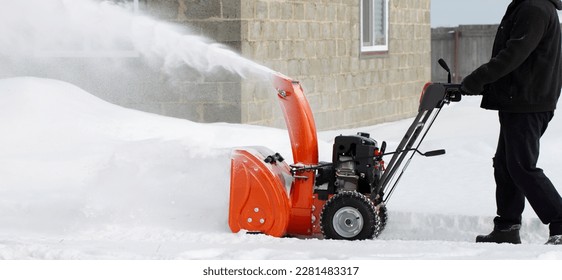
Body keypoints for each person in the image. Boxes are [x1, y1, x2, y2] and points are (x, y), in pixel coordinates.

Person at [461, 0, 562, 245]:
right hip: (519, 99)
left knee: (521, 166)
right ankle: (507, 226)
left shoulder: (534, 8)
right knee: (505, 165)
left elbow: (513, 54)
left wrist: (478, 79)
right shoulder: (528, 6)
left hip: (528, 102)